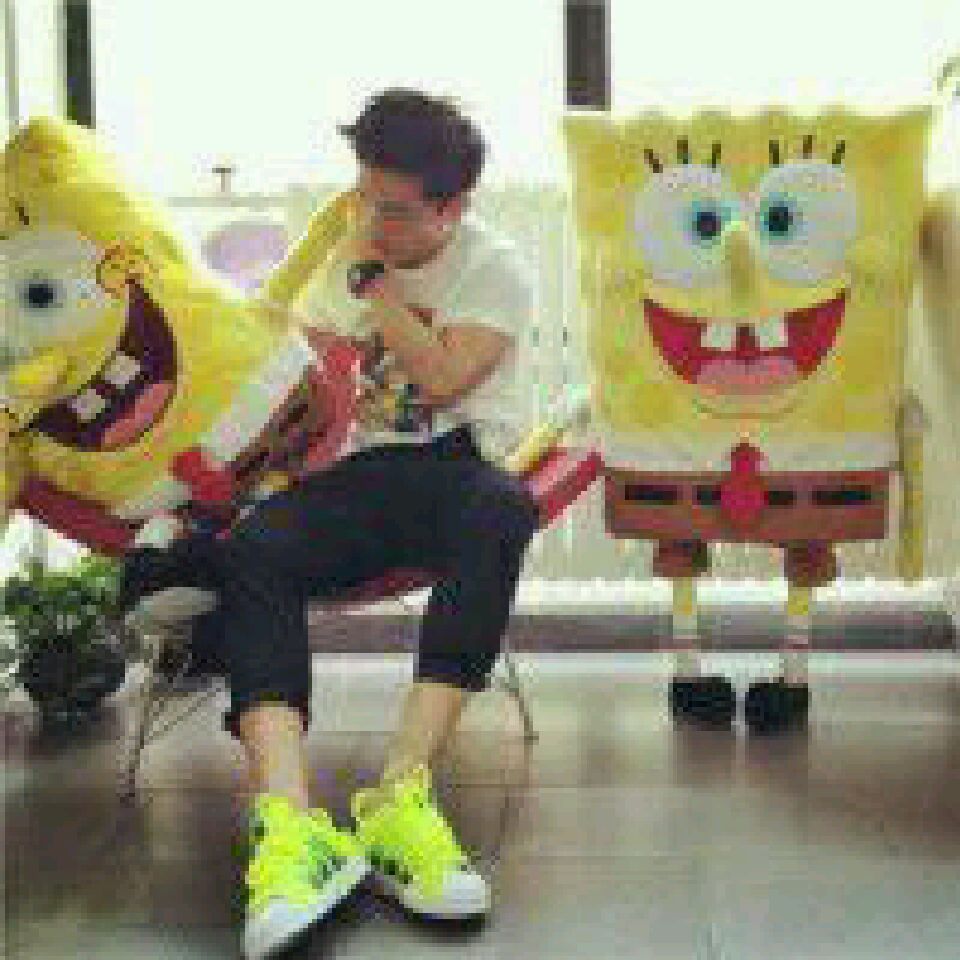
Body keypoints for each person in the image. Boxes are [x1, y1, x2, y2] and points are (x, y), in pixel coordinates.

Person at [122, 88, 538, 960]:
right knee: (255, 548)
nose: (371, 222)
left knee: (504, 509)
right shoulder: (348, 246)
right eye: (363, 199)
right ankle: (291, 825)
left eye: (394, 209)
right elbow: (291, 366)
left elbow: (444, 379)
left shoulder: (494, 268)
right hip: (357, 476)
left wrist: (375, 290)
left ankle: (398, 801)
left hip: (459, 469)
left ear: (453, 206)